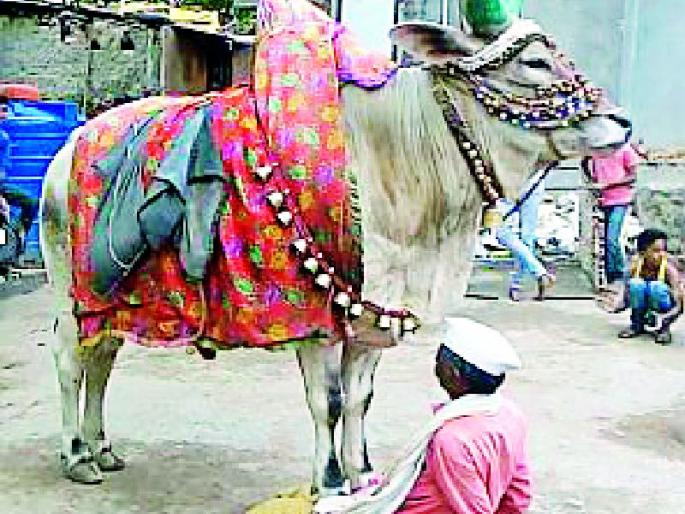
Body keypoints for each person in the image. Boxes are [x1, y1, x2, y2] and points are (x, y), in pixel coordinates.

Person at [315, 317, 530, 514]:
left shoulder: (452, 440)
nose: (436, 365)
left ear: (453, 373)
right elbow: (518, 493)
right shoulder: (509, 414)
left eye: (440, 360)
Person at [582, 141, 641, 285]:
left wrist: (609, 184)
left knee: (612, 239)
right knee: (605, 240)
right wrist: (593, 181)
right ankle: (610, 275)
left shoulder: (625, 149)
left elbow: (633, 176)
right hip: (604, 200)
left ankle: (618, 273)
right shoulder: (597, 150)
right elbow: (584, 163)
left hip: (621, 199)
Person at [495, 168, 555, 301]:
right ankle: (533, 276)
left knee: (501, 231)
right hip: (533, 179)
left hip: (511, 178)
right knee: (526, 237)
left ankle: (527, 279)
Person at [616, 229, 683, 345]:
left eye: (663, 250)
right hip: (643, 305)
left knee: (656, 287)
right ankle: (637, 324)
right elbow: (623, 293)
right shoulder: (634, 266)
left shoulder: (669, 269)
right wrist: (619, 304)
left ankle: (664, 329)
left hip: (663, 308)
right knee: (635, 284)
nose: (661, 254)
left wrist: (668, 316)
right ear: (643, 252)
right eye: (656, 251)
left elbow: (679, 304)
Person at [0, 98, 39, 251]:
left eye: (6, 110)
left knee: (30, 203)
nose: (5, 114)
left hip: (2, 186)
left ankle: (17, 237)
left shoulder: (3, 135)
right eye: (2, 110)